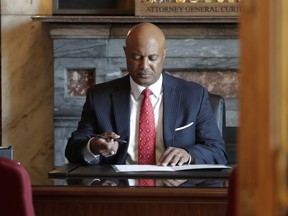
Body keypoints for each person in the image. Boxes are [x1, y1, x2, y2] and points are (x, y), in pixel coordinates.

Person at [65, 22, 227, 166]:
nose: (144, 66)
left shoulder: (193, 96)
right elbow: (73, 148)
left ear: (164, 54)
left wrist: (188, 154)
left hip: (177, 188)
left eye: (153, 58)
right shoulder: (100, 97)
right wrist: (93, 145)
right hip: (119, 189)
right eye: (136, 57)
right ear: (125, 53)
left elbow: (217, 151)